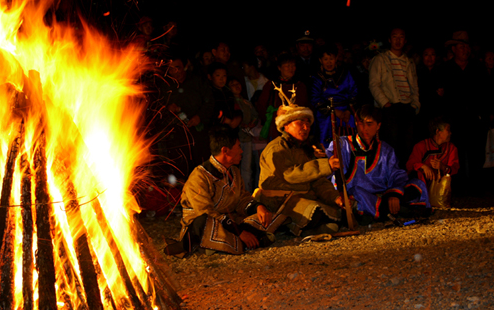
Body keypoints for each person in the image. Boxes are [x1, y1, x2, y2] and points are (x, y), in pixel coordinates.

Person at [168, 126, 274, 256]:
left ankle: (225, 243)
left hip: (228, 220)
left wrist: (258, 207)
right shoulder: (199, 176)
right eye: (238, 147)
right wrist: (239, 231)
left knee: (264, 217)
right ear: (225, 151)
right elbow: (206, 212)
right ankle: (196, 244)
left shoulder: (234, 171)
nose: (241, 151)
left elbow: (242, 199)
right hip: (205, 223)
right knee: (207, 223)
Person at [326, 105, 430, 223]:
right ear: (356, 123)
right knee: (358, 195)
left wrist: (394, 194)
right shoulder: (342, 144)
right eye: (361, 123)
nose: (364, 128)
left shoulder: (386, 150)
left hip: (382, 195)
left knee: (418, 184)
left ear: (378, 126)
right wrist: (328, 163)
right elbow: (328, 164)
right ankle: (394, 211)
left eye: (369, 124)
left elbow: (397, 175)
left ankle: (384, 211)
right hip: (356, 196)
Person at [258, 101, 343, 236]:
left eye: (308, 123)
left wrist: (335, 198)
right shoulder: (276, 148)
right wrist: (325, 165)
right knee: (317, 213)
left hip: (302, 198)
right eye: (300, 123)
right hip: (279, 203)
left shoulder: (304, 148)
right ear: (286, 126)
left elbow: (317, 181)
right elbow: (290, 175)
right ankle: (290, 226)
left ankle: (309, 228)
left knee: (340, 210)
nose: (306, 127)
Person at [369, 27, 420, 168]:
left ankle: (403, 178)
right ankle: (389, 179)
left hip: (407, 107)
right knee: (391, 146)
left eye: (401, 37)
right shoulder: (380, 59)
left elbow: (415, 86)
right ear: (390, 39)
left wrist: (415, 105)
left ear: (405, 40)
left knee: (407, 146)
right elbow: (374, 84)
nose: (398, 40)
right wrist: (385, 104)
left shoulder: (409, 62)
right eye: (395, 37)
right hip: (390, 108)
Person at [311, 43, 358, 148]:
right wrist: (333, 111)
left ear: (336, 58)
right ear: (320, 60)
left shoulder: (345, 73)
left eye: (331, 58)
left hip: (346, 113)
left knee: (350, 142)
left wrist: (348, 110)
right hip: (326, 114)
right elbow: (315, 99)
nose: (329, 62)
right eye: (325, 59)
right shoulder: (317, 78)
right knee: (326, 142)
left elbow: (353, 91)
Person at [257, 53, 309, 142]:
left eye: (293, 66)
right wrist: (275, 113)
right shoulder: (271, 85)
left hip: (297, 129)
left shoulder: (300, 86)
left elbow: (307, 106)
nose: (291, 68)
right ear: (279, 67)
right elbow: (261, 106)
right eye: (287, 66)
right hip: (277, 129)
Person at [406, 118, 460, 191]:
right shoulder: (421, 146)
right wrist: (423, 166)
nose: (450, 133)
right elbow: (410, 165)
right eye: (448, 130)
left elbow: (455, 168)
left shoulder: (452, 148)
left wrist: (443, 167)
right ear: (438, 132)